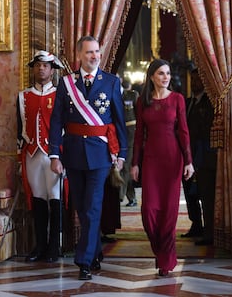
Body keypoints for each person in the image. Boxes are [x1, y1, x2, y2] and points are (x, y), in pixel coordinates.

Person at [49, 35, 127, 281]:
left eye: (97, 52)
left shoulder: (111, 82)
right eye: (89, 52)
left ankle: (83, 261)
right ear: (79, 55)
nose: (94, 56)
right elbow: (57, 121)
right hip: (72, 153)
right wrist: (54, 154)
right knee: (81, 207)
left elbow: (119, 121)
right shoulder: (66, 84)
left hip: (100, 154)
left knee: (93, 206)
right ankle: (94, 252)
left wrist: (121, 153)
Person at [130, 59, 194, 276]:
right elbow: (139, 135)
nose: (165, 77)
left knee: (169, 213)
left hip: (172, 159)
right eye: (160, 73)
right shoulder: (143, 102)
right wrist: (135, 163)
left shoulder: (177, 99)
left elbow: (184, 132)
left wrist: (189, 161)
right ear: (151, 77)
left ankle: (165, 260)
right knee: (149, 211)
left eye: (167, 73)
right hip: (150, 161)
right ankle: (162, 252)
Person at [17, 50, 64, 263]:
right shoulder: (23, 96)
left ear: (52, 69)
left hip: (54, 155)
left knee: (55, 199)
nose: (41, 69)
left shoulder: (60, 96)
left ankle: (55, 247)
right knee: (37, 200)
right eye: (37, 65)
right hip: (32, 153)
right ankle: (40, 246)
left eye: (45, 65)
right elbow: (19, 129)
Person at [181, 69, 217, 246]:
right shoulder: (187, 102)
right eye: (192, 79)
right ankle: (196, 224)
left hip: (204, 156)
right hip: (187, 156)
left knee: (206, 195)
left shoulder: (210, 102)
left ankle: (209, 231)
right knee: (190, 194)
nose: (195, 82)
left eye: (198, 79)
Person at [120, 79, 139, 207]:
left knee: (126, 166)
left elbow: (139, 115)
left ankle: (120, 196)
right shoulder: (109, 96)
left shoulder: (132, 95)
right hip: (115, 136)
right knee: (120, 167)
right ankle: (131, 197)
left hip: (131, 136)